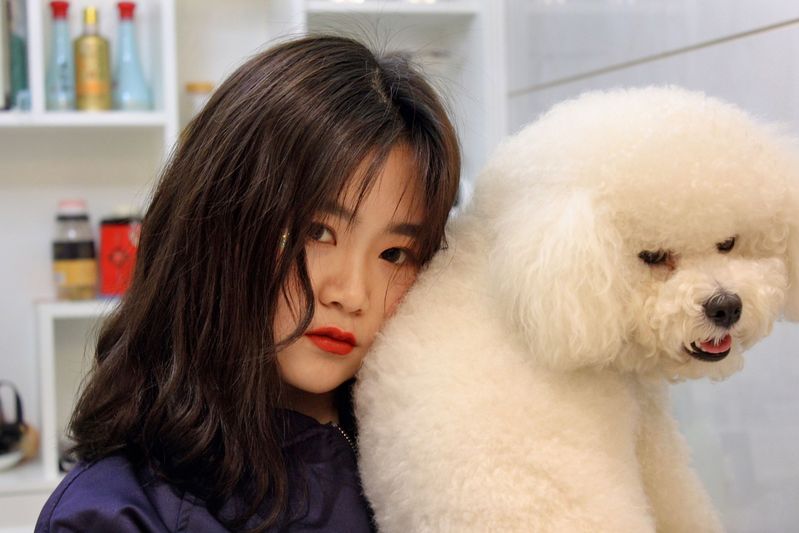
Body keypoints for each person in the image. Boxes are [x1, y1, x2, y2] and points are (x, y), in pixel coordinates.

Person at [35, 34, 460, 532]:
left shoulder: (432, 462)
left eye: (394, 254)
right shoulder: (115, 513)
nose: (350, 294)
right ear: (218, 221)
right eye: (316, 232)